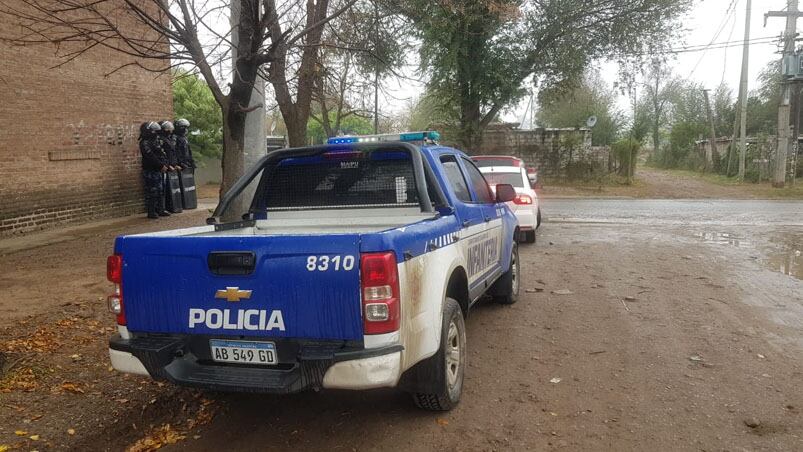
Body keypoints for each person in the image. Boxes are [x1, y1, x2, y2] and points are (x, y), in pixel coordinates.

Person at [139, 121, 170, 219]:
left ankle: (161, 209)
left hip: (159, 170)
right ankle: (151, 212)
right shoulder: (144, 143)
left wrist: (165, 164)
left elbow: (162, 153)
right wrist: (161, 165)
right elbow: (150, 156)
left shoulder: (156, 140)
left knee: (161, 190)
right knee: (152, 191)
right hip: (150, 170)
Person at [159, 121, 183, 213]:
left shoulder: (169, 139)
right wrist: (168, 165)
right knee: (163, 189)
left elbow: (173, 153)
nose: (170, 130)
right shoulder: (161, 140)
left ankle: (169, 207)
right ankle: (164, 207)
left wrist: (175, 164)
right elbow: (163, 155)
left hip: (172, 166)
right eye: (167, 128)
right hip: (166, 167)